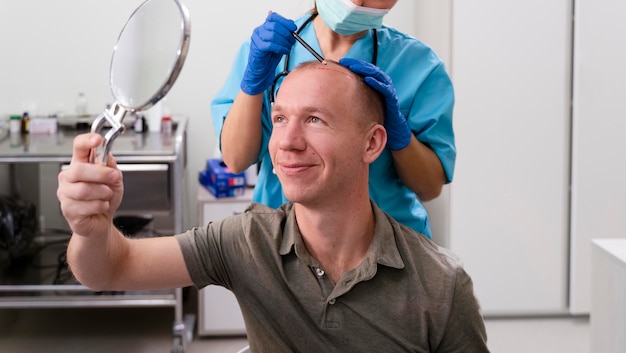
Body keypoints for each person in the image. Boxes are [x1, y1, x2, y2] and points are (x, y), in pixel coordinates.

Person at [58, 60, 488, 352]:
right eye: (280, 118)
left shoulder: (441, 286)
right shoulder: (247, 241)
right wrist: (91, 230)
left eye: (315, 119)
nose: (286, 142)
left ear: (372, 143)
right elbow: (108, 269)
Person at [211, 0, 455, 239]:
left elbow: (429, 188)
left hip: (391, 250)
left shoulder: (419, 67)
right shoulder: (268, 51)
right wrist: (252, 85)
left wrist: (398, 132)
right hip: (281, 244)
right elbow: (235, 160)